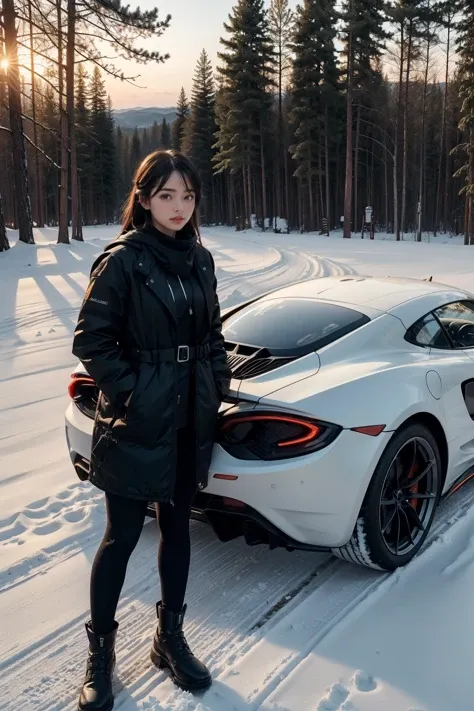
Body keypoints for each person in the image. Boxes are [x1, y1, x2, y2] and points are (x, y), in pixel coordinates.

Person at [72, 149, 232, 711]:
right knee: (119, 536)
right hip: (138, 420)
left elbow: (213, 335)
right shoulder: (123, 262)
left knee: (179, 529)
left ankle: (169, 636)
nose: (179, 207)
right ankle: (99, 653)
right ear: (143, 199)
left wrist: (216, 383)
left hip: (191, 416)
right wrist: (138, 389)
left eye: (188, 196)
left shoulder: (201, 259)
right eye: (167, 195)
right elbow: (91, 342)